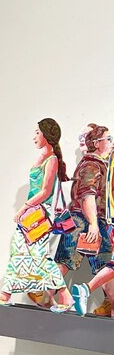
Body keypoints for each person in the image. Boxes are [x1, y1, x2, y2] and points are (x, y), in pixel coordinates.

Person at [0, 118, 73, 310]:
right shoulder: (45, 157)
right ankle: (6, 294)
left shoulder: (51, 160)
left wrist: (23, 207)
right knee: (18, 250)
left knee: (39, 255)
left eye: (37, 132)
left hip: (39, 215)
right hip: (33, 213)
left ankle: (65, 296)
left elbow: (45, 191)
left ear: (46, 134)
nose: (34, 136)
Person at [54, 123, 113, 298]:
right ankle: (44, 293)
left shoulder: (101, 165)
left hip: (97, 220)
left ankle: (110, 305)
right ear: (97, 143)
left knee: (105, 265)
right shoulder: (92, 165)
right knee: (66, 260)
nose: (112, 143)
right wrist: (93, 224)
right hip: (82, 219)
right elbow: (87, 195)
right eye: (109, 139)